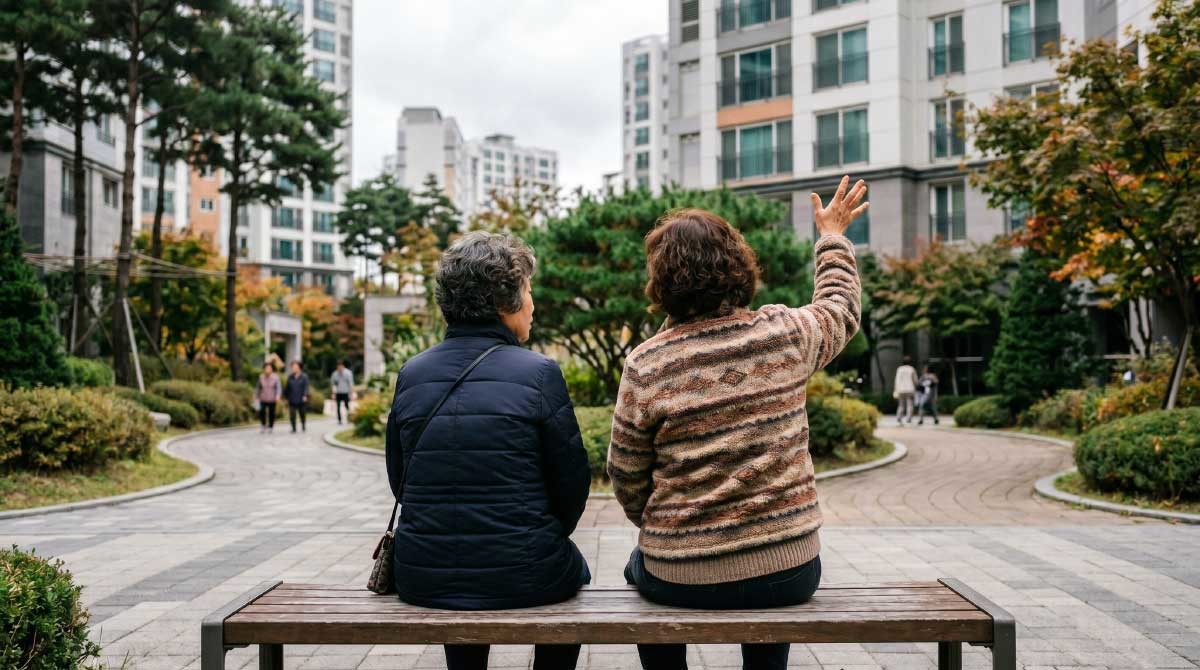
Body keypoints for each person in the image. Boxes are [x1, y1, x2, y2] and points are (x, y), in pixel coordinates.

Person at [607, 175, 866, 670]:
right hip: (787, 568)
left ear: (661, 284)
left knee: (636, 574)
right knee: (768, 596)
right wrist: (831, 236)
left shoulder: (648, 364)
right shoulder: (786, 335)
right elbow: (840, 308)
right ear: (740, 267)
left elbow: (626, 476)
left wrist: (672, 529)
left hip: (678, 572)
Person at [385, 231, 591, 670]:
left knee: (464, 580)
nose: (533, 303)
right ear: (505, 301)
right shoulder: (539, 374)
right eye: (529, 290)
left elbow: (399, 480)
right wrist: (541, 533)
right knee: (575, 574)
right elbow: (572, 483)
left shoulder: (412, 373)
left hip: (424, 574)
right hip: (528, 571)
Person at [285, 360, 310, 433]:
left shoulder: (304, 377)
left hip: (301, 399)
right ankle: (293, 428)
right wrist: (286, 397)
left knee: (302, 413)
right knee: (292, 414)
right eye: (292, 367)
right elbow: (287, 388)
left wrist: (305, 395)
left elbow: (306, 387)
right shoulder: (290, 377)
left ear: (299, 368)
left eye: (295, 367)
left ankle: (303, 424)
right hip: (292, 399)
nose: (293, 368)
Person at [255, 362, 281, 433]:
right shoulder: (261, 377)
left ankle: (270, 426)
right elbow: (258, 387)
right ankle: (263, 425)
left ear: (272, 369)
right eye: (266, 368)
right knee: (262, 412)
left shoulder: (275, 377)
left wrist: (278, 395)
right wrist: (256, 396)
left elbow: (278, 388)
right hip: (263, 397)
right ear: (264, 369)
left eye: (269, 368)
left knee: (271, 413)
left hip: (272, 398)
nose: (268, 370)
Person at [893, 355, 919, 425]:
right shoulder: (911, 369)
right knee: (909, 404)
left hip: (901, 389)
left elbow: (897, 380)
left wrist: (896, 389)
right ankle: (908, 418)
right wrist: (917, 385)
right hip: (910, 389)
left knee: (901, 405)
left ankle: (899, 417)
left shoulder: (899, 369)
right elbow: (915, 380)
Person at [330, 360, 354, 424]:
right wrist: (333, 394)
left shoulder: (348, 373)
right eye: (338, 367)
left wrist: (351, 393)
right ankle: (339, 420)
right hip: (338, 392)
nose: (339, 368)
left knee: (347, 406)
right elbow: (333, 384)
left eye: (340, 367)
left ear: (343, 366)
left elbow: (351, 384)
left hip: (346, 392)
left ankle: (349, 418)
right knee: (338, 406)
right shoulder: (334, 374)